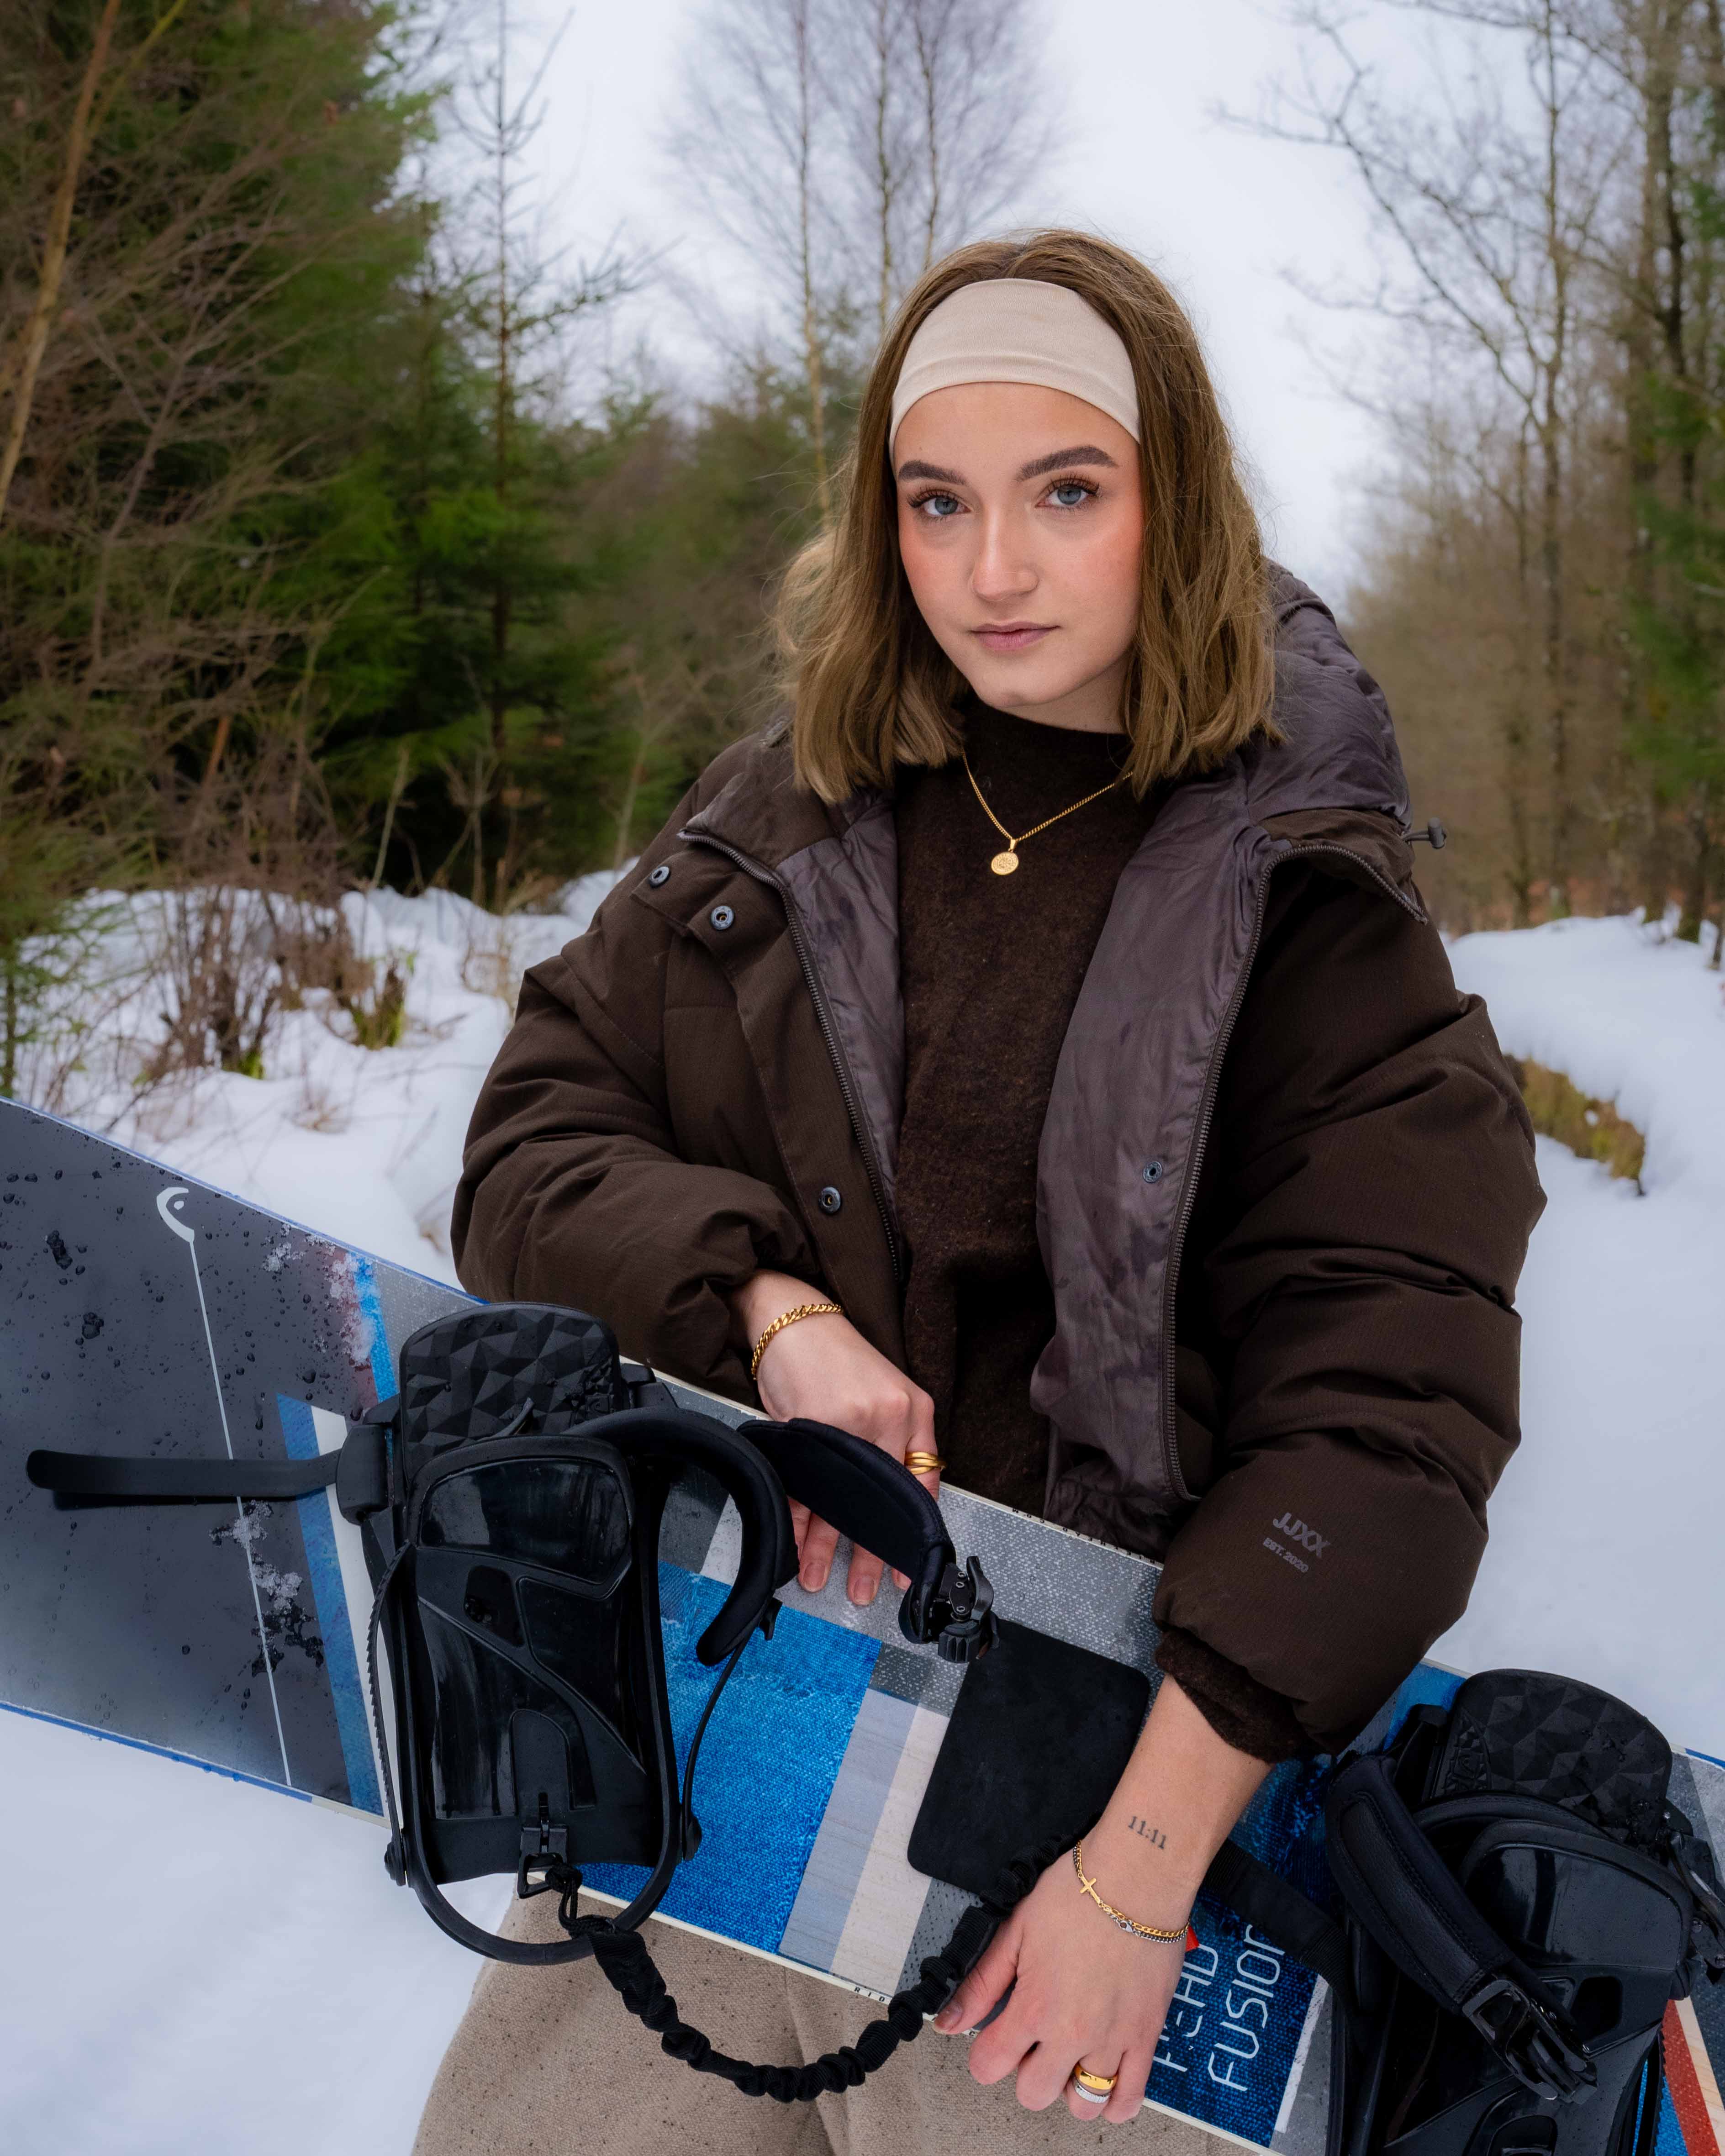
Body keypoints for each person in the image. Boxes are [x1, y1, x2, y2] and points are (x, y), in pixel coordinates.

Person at [414, 229, 1540, 2154]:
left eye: (1066, 493)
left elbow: (1388, 1423)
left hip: (1080, 1843)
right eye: (937, 503)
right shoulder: (785, 817)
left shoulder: (1312, 899)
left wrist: (1138, 1879)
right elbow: (534, 1136)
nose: (993, 569)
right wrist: (765, 1305)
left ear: (1170, 501)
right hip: (709, 1734)